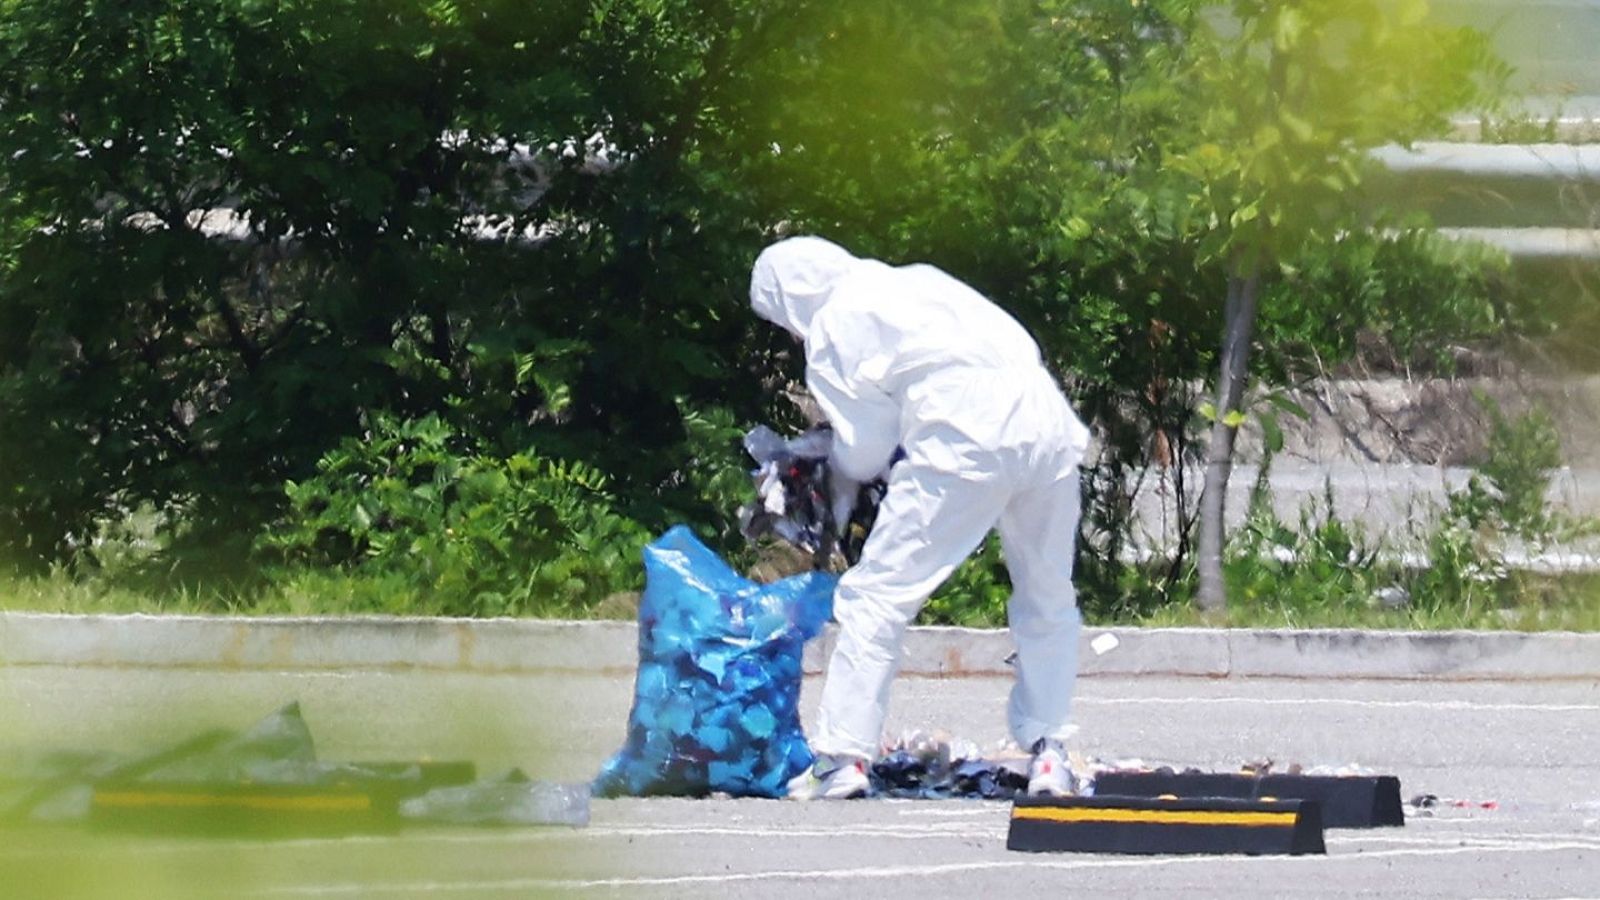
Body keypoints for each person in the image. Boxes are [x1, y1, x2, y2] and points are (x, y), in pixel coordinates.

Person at [748, 235, 1091, 800]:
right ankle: (1050, 753)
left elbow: (864, 450)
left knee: (875, 596)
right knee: (1048, 595)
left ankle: (842, 756)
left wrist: (826, 462)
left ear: (790, 300)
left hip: (965, 436)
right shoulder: (920, 280)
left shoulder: (835, 323)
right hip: (1049, 429)